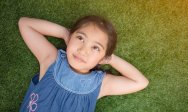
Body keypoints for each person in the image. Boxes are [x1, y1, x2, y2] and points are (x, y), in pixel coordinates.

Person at [18, 15, 149, 112]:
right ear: (70, 38)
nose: (83, 50)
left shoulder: (101, 84)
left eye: (95, 48)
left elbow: (141, 82)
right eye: (80, 38)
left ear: (102, 58)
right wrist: (65, 33)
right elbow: (25, 24)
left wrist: (110, 59)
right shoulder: (51, 59)